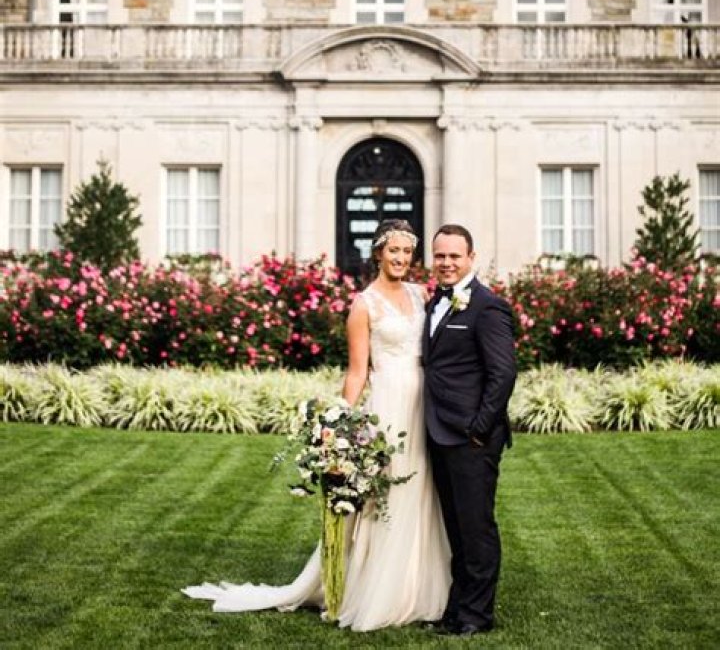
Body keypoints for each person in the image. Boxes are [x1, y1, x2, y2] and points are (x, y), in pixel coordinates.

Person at [183, 218, 450, 631]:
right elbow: (357, 372)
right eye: (393, 250)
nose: (400, 258)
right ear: (378, 253)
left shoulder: (421, 294)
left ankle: (417, 587)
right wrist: (339, 422)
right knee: (387, 496)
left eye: (406, 252)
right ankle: (377, 589)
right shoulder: (364, 304)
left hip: (423, 403)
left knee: (422, 491)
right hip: (389, 406)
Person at [423, 223, 517, 636]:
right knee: (457, 529)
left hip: (471, 437)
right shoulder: (435, 302)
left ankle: (477, 616)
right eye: (440, 256)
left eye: (454, 256)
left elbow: (503, 373)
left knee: (476, 528)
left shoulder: (488, 307)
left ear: (471, 258)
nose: (446, 263)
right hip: (439, 432)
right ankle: (457, 609)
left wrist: (480, 428)